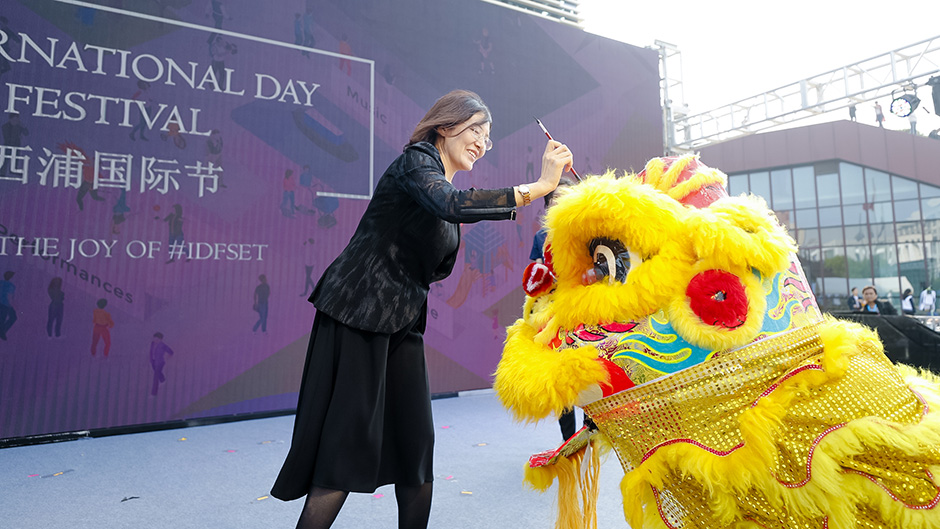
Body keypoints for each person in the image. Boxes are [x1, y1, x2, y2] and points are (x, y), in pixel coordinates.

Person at [270, 89, 573, 529]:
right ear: (445, 127)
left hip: (402, 325)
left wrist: (557, 195)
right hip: (360, 313)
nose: (481, 144)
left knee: (416, 449)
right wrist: (540, 187)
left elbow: (446, 224)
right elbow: (451, 205)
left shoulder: (441, 189)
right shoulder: (417, 162)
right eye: (475, 131)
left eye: (487, 139)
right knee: (346, 446)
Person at [529, 175, 577, 440]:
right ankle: (569, 440)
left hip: (585, 309)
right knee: (561, 377)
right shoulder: (541, 236)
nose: (560, 203)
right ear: (547, 206)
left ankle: (592, 430)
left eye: (566, 198)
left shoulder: (586, 230)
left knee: (589, 369)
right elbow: (535, 274)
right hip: (555, 312)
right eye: (554, 200)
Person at [0, 270, 16, 341]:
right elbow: (10, 296)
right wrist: (10, 306)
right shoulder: (11, 286)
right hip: (5, 304)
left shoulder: (1, 283)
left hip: (3, 303)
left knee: (3, 319)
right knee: (10, 318)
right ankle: (2, 331)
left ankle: (2, 331)